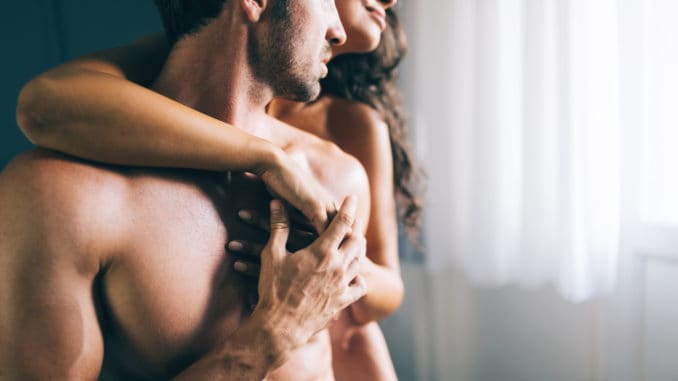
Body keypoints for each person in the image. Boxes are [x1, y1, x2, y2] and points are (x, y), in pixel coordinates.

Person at [15, 1, 421, 380]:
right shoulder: (62, 199)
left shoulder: (336, 174)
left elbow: (352, 338)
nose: (337, 31)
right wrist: (273, 335)